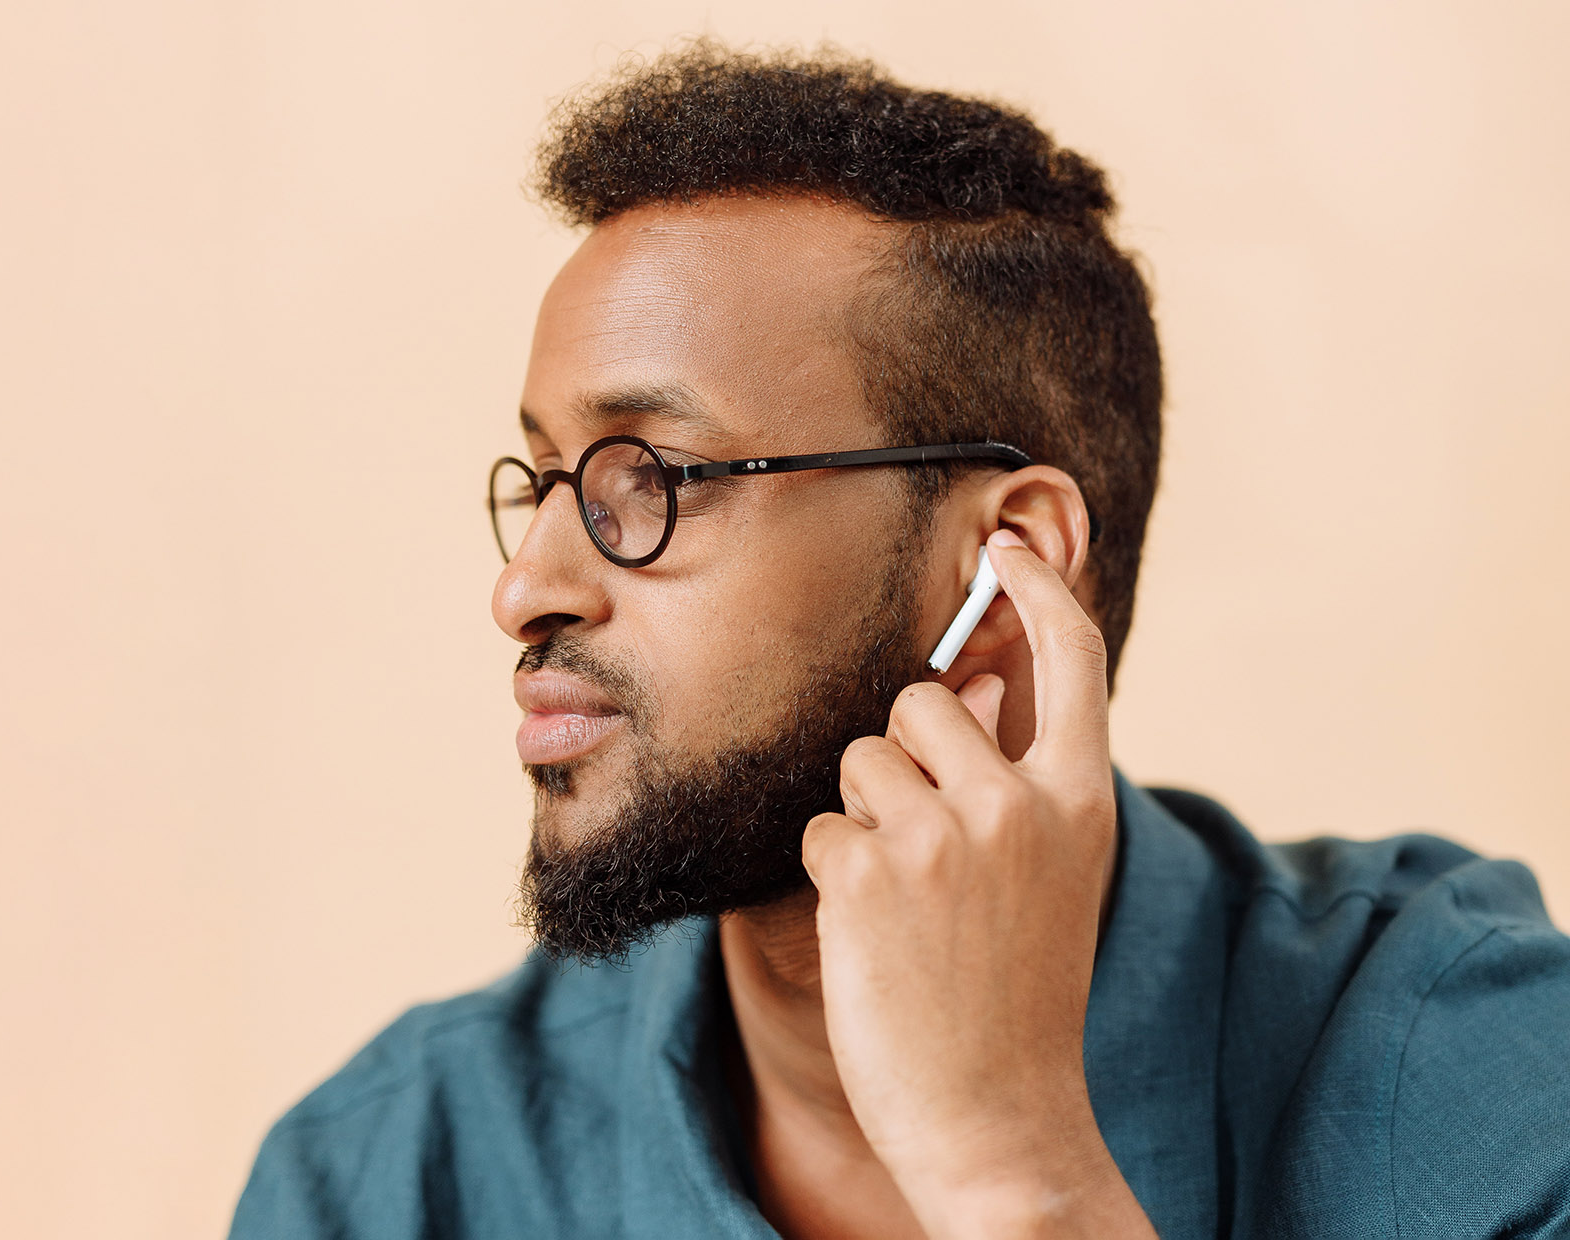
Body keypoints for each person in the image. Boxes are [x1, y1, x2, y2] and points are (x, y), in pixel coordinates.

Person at [228, 42, 1570, 1240]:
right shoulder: (390, 1180)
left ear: (1008, 567)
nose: (528, 588)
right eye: (544, 483)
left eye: (651, 480)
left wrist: (1013, 1170)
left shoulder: (1486, 1084)